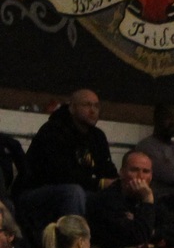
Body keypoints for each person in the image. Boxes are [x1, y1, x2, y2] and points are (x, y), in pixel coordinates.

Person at [21, 89, 116, 233]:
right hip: (37, 192)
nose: (92, 110)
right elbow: (60, 175)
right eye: (87, 105)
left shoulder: (98, 136)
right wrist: (99, 183)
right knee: (74, 192)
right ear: (72, 108)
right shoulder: (53, 131)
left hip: (83, 191)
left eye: (96, 106)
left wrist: (119, 184)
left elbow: (108, 169)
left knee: (115, 194)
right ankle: (73, 242)